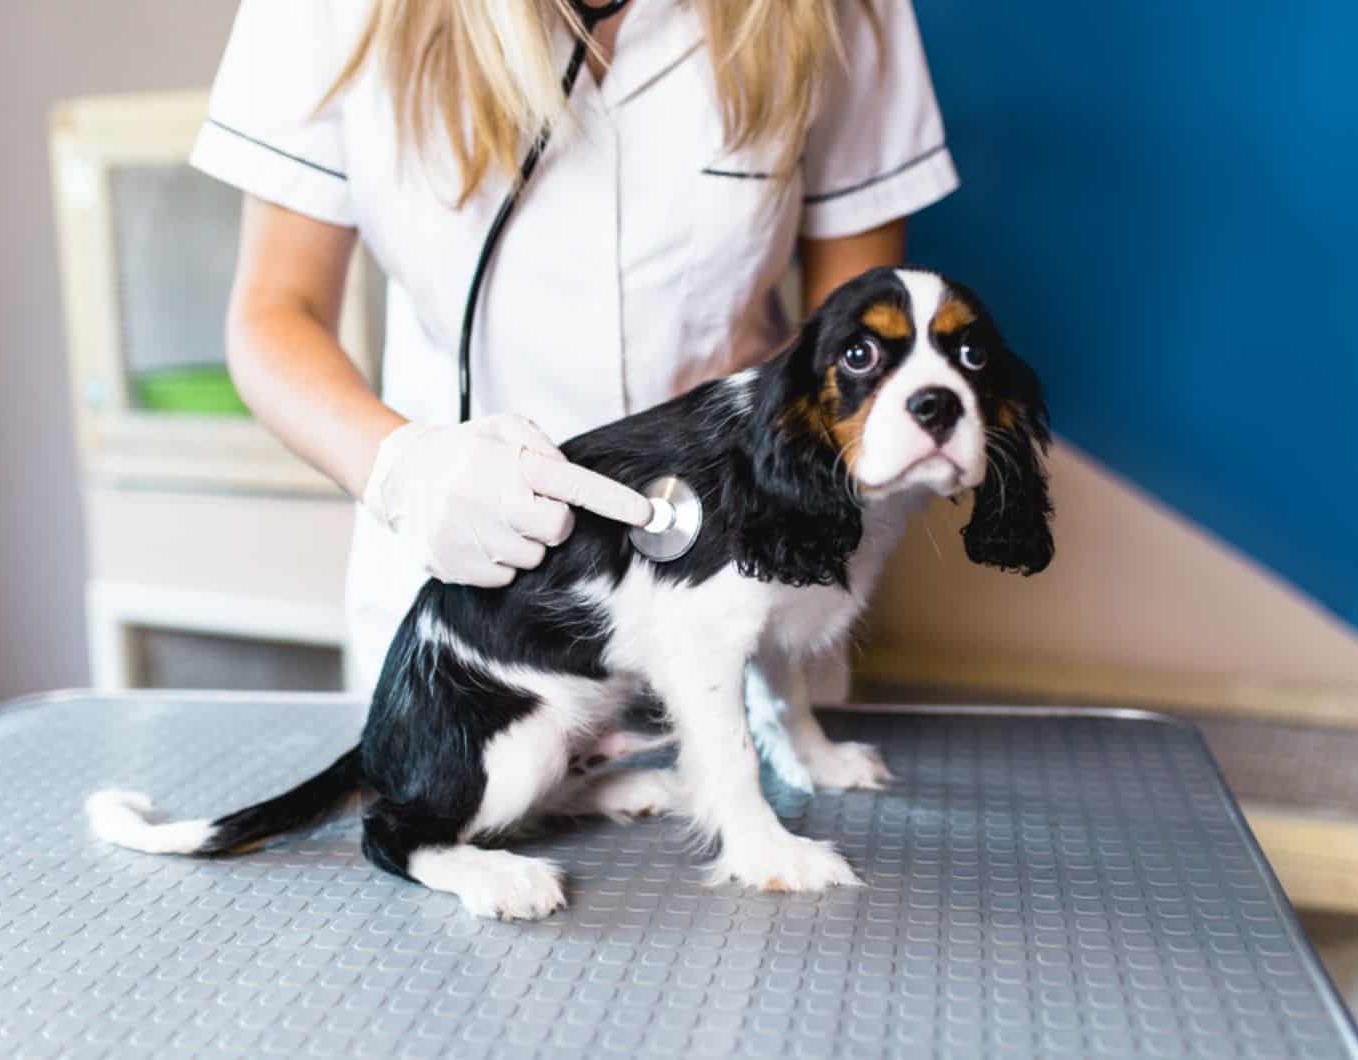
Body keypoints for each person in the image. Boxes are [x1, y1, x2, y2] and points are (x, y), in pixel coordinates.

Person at [193, 0, 958, 692]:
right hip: (477, 628)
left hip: (748, 601)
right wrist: (401, 470)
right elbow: (273, 312)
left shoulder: (837, 12)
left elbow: (860, 334)